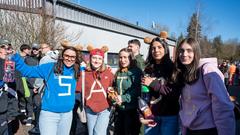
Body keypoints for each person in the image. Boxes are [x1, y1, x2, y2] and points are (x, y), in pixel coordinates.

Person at [172, 37, 235, 135]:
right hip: (190, 129)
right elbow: (185, 105)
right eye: (181, 51)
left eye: (189, 51)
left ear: (196, 52)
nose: (184, 54)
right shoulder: (183, 72)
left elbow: (222, 105)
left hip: (208, 130)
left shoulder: (207, 70)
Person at [11, 46, 80, 135]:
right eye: (67, 56)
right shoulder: (50, 67)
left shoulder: (77, 70)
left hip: (67, 114)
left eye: (72, 57)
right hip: (49, 114)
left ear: (75, 58)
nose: (69, 59)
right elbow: (27, 71)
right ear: (62, 56)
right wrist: (15, 57)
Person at [140, 37, 181, 135]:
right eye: (153, 48)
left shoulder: (173, 69)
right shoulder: (148, 69)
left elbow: (174, 93)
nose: (156, 50)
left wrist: (153, 84)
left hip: (169, 116)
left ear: (165, 49)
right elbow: (142, 95)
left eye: (159, 47)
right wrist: (141, 115)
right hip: (150, 115)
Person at [76, 45, 114, 135]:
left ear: (102, 60)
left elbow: (114, 88)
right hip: (90, 108)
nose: (97, 61)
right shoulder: (84, 73)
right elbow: (77, 90)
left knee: (98, 132)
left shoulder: (108, 73)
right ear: (90, 58)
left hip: (105, 108)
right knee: (91, 133)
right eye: (94, 58)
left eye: (99, 59)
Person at [111, 48, 142, 135]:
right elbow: (115, 87)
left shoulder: (136, 72)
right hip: (119, 110)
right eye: (120, 57)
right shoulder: (118, 72)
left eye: (125, 57)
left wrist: (123, 98)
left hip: (131, 110)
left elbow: (137, 90)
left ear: (131, 58)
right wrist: (112, 94)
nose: (122, 60)